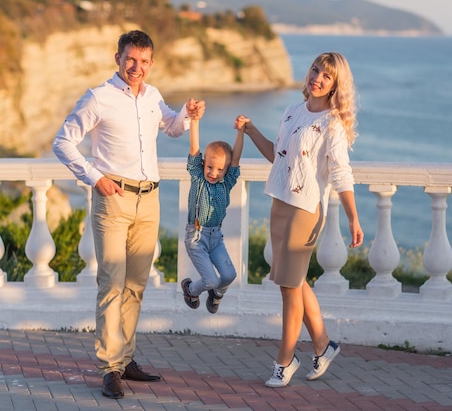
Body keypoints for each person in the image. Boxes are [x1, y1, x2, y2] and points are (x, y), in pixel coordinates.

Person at [52, 30, 205, 399]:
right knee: (112, 284)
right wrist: (94, 177)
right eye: (130, 59)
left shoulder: (152, 96)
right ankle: (109, 368)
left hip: (149, 199)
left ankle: (126, 359)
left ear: (151, 63)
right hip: (113, 199)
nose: (137, 67)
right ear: (117, 57)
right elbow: (62, 142)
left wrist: (188, 114)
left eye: (144, 61)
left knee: (136, 286)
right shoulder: (98, 97)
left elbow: (170, 126)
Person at [234, 52, 363, 388]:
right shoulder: (292, 112)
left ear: (336, 86)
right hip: (280, 204)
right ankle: (323, 345)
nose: (317, 78)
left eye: (327, 76)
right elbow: (277, 156)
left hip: (305, 211)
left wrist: (353, 218)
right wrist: (250, 130)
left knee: (289, 289)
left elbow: (340, 173)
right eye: (315, 70)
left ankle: (285, 360)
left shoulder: (331, 124)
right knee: (294, 281)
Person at [180, 117, 244, 314]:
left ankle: (217, 295)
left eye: (219, 169)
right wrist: (195, 121)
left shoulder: (227, 182)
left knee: (229, 275)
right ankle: (190, 290)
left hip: (216, 238)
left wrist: (240, 132)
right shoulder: (198, 178)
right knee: (211, 280)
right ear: (203, 164)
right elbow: (194, 148)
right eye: (209, 167)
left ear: (226, 170)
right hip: (196, 237)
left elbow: (236, 159)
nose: (213, 173)